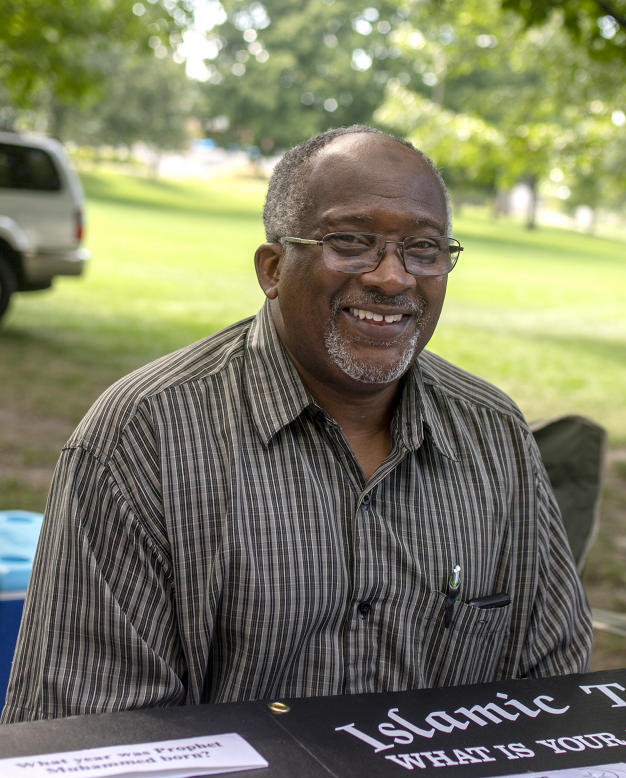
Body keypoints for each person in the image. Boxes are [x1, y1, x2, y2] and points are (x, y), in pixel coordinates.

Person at [1, 126, 593, 724]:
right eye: (352, 242)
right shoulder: (143, 438)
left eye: (424, 249)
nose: (392, 277)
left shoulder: (493, 435)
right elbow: (85, 733)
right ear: (273, 268)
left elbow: (549, 683)